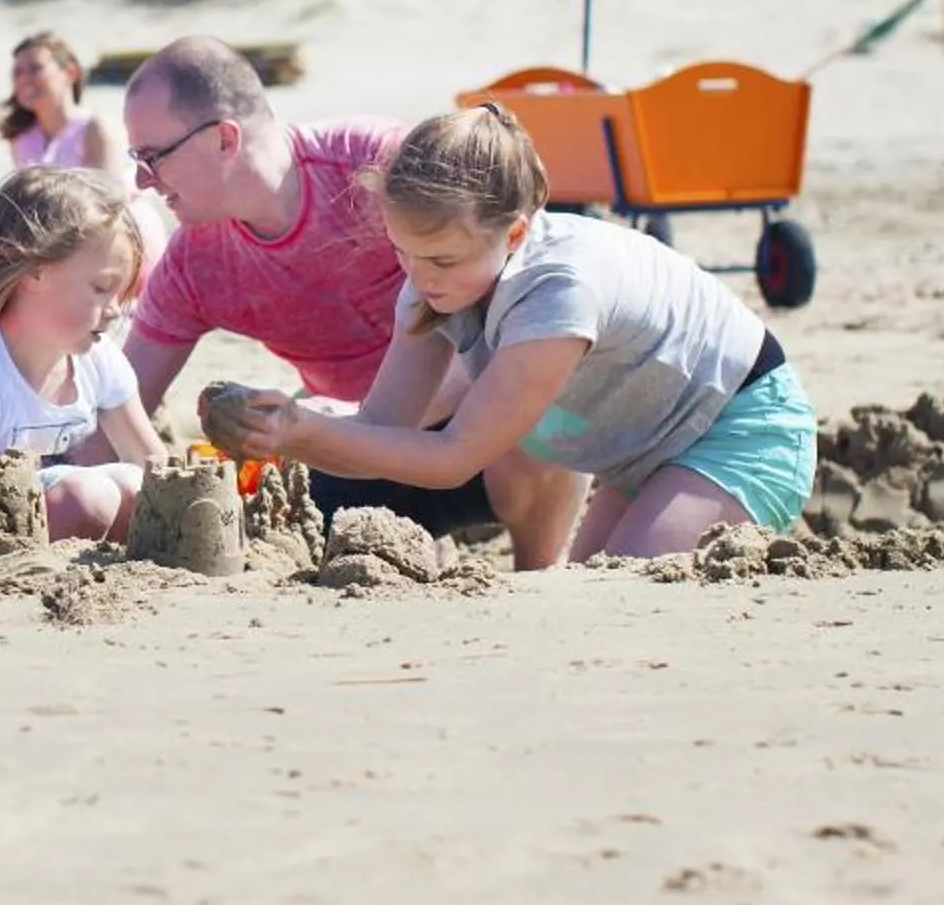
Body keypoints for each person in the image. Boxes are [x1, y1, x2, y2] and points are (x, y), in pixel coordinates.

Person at [222, 106, 817, 564]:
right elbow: (384, 427)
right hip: (646, 448)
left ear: (513, 235)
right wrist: (285, 428)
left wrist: (306, 432)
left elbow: (455, 457)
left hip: (743, 428)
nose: (419, 276)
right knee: (595, 590)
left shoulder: (558, 290)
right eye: (403, 253)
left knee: (632, 593)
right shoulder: (432, 284)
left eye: (443, 260)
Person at [119, 35, 577, 545]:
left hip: (477, 435)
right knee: (269, 515)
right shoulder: (193, 262)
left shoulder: (376, 168)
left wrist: (353, 420)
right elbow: (120, 399)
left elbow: (538, 294)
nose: (141, 180)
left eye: (153, 156)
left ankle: (542, 580)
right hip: (356, 456)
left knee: (549, 414)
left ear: (225, 139)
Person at [0, 166, 164, 542]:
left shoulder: (98, 360)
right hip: (8, 527)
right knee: (89, 497)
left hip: (77, 512)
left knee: (138, 488)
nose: (116, 310)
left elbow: (152, 463)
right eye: (102, 288)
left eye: (121, 294)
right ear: (34, 271)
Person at [0, 31, 129, 181]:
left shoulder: (94, 128)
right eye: (17, 73)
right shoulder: (20, 137)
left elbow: (111, 199)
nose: (24, 79)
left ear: (70, 72)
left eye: (35, 68)